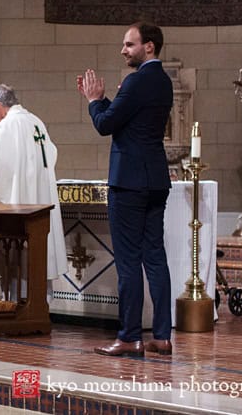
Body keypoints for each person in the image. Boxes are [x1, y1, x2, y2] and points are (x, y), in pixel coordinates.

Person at [76, 22, 174, 357]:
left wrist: (94, 101)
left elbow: (106, 125)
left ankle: (130, 336)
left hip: (129, 182)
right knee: (155, 258)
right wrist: (108, 99)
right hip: (156, 180)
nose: (123, 50)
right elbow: (125, 120)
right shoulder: (163, 82)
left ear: (149, 46)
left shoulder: (136, 82)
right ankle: (161, 336)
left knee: (129, 261)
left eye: (129, 44)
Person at [0, 84, 68, 301]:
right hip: (42, 195)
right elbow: (52, 154)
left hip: (22, 198)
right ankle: (41, 302)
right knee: (40, 247)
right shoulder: (35, 121)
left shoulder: (8, 124)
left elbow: (3, 166)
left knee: (18, 247)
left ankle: (17, 303)